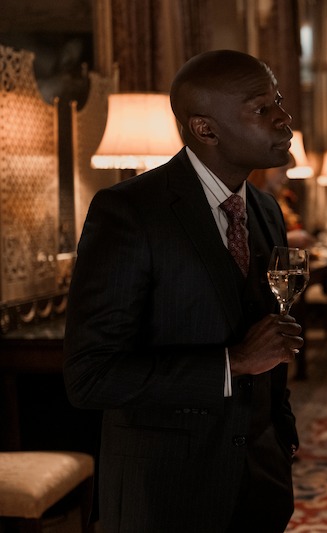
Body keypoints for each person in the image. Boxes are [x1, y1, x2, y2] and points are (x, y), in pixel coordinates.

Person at [63, 50, 304, 533]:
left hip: (261, 485)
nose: (284, 118)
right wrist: (234, 363)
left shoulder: (266, 210)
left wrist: (282, 438)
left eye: (278, 101)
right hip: (165, 493)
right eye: (262, 108)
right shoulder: (128, 212)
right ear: (205, 129)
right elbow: (90, 377)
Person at [250, 158, 316, 248]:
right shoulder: (248, 201)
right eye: (282, 171)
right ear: (265, 168)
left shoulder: (278, 200)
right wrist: (288, 240)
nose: (285, 178)